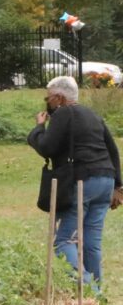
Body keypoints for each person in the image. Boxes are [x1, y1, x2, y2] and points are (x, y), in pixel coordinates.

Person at [28, 76, 123, 293]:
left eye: (48, 98)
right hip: (105, 180)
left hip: (82, 181)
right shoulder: (93, 114)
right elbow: (113, 150)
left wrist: (39, 128)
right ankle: (96, 293)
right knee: (91, 240)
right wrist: (119, 186)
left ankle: (91, 291)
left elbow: (47, 148)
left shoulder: (63, 113)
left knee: (63, 242)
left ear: (59, 98)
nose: (47, 102)